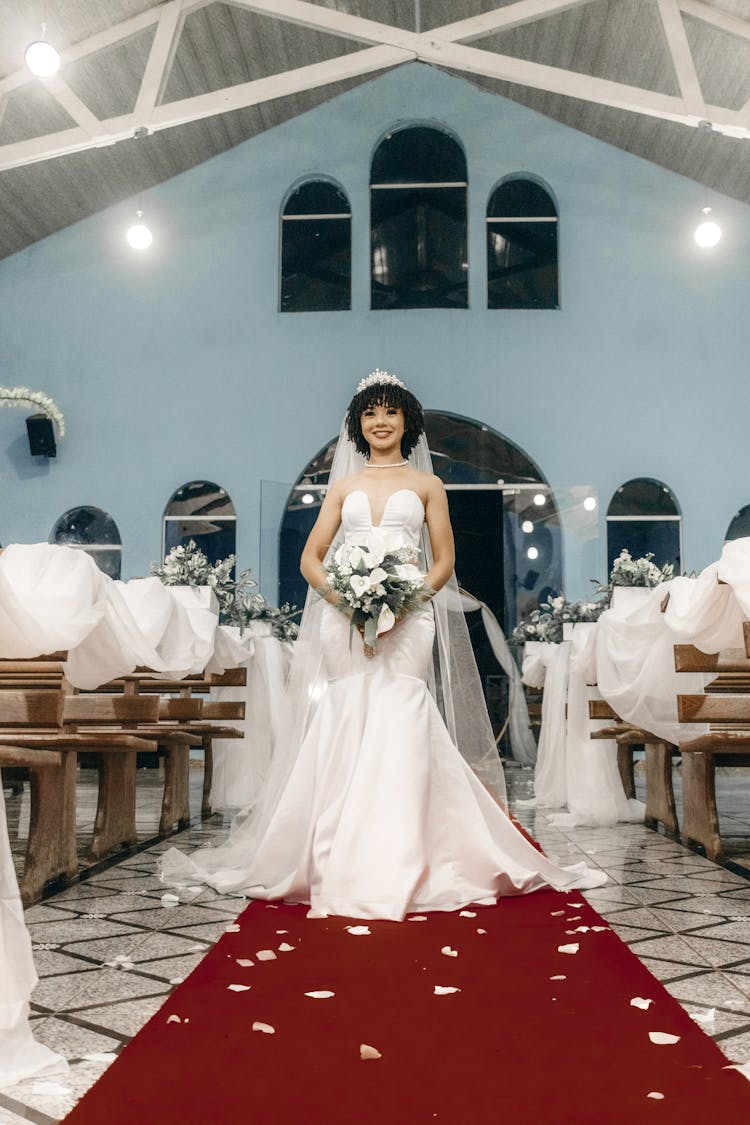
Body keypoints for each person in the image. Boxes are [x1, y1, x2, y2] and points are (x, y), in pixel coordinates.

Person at [160, 370, 605, 918]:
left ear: (407, 422)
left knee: (401, 709)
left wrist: (405, 602)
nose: (380, 422)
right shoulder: (342, 487)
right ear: (358, 424)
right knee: (347, 713)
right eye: (370, 413)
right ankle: (333, 850)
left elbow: (444, 561)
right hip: (342, 618)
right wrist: (347, 602)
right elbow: (310, 559)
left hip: (411, 614)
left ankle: (406, 851)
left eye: (390, 412)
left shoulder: (427, 487)